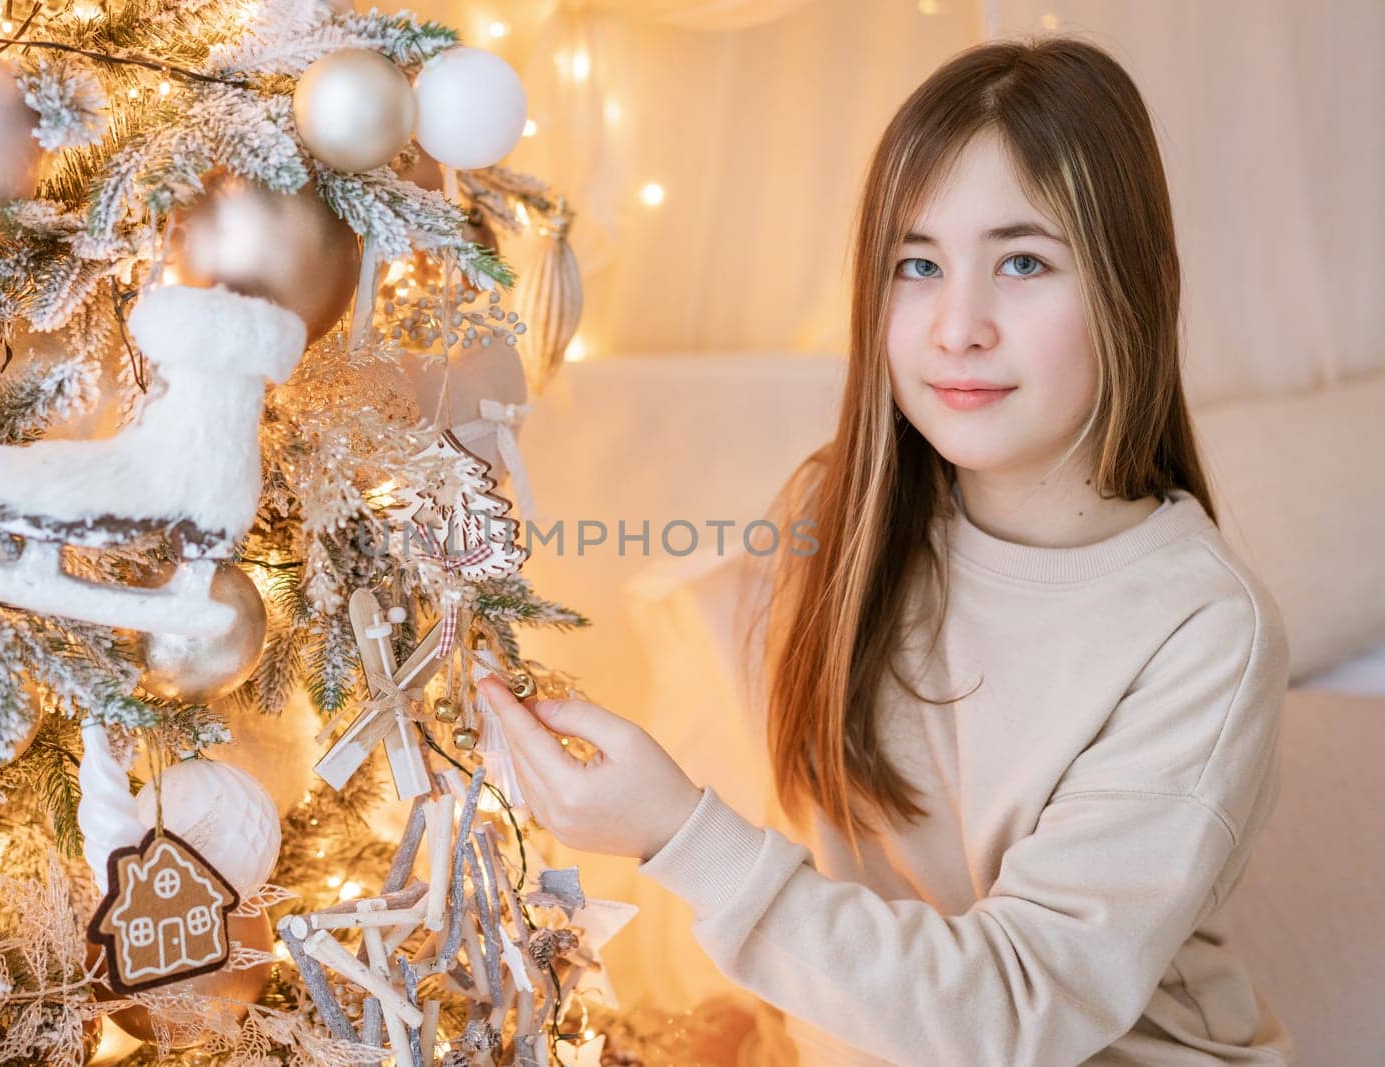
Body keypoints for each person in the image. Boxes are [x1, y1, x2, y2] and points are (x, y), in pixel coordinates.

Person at [476, 34, 1293, 1067]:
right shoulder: (841, 514)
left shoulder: (1203, 630)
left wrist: (677, 832)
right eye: (917, 264)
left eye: (1023, 261)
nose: (958, 325)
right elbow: (792, 841)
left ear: (1135, 284)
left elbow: (1013, 1009)